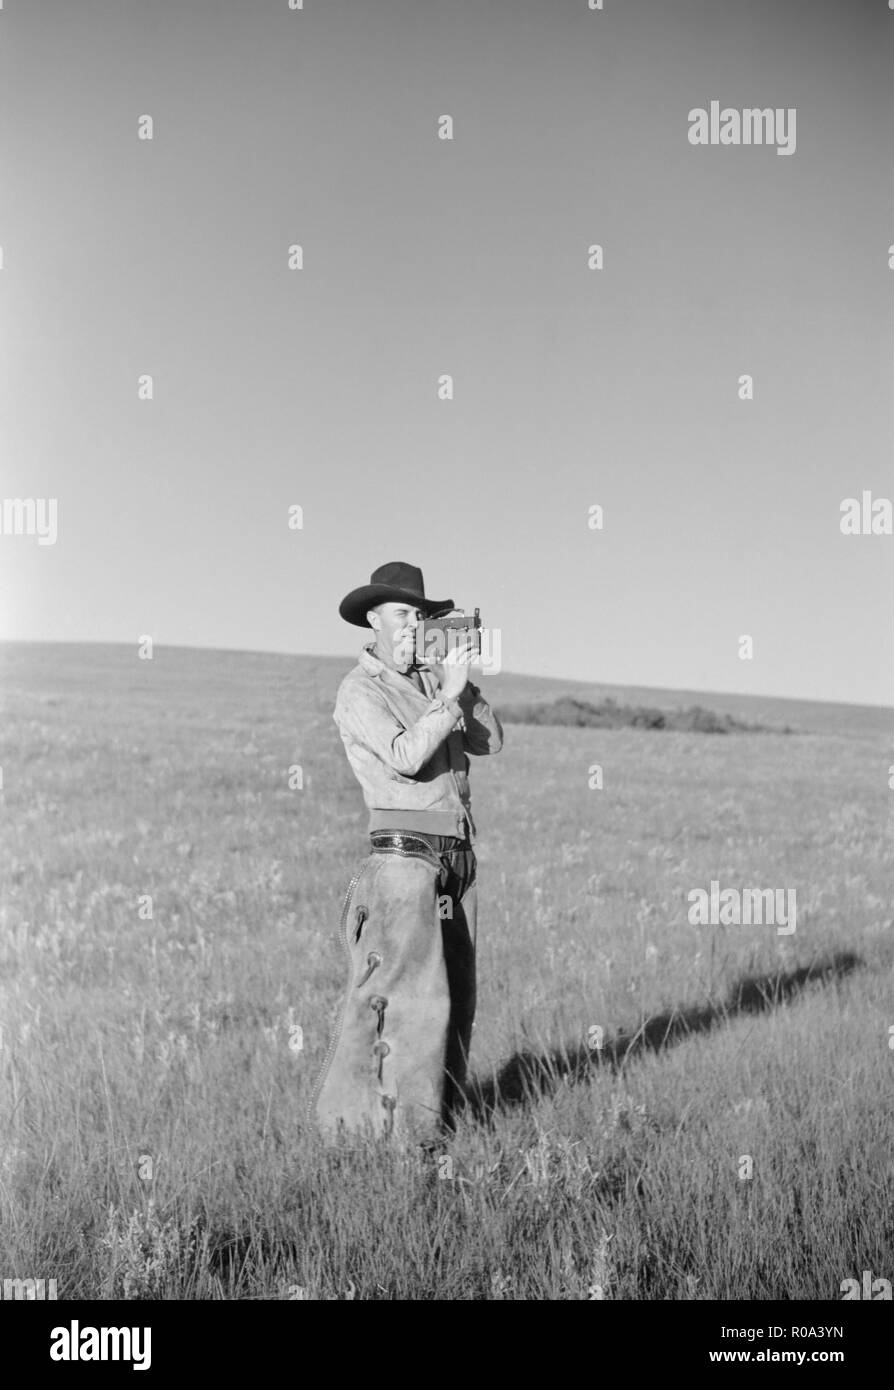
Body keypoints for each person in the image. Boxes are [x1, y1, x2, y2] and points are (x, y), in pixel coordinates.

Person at [310, 561, 503, 1141]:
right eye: (402, 613)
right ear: (373, 619)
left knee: (455, 999)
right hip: (404, 863)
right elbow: (404, 756)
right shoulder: (359, 690)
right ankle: (394, 1145)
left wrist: (459, 684)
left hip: (452, 859)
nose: (413, 624)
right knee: (409, 1007)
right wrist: (445, 698)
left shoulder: (433, 680)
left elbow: (490, 741)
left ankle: (437, 1124)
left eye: (421, 614)